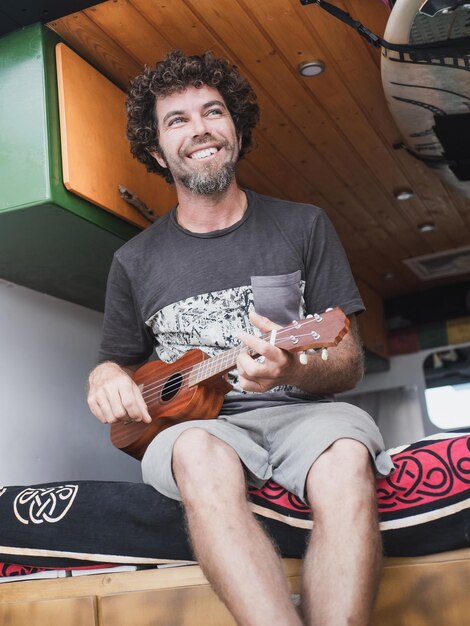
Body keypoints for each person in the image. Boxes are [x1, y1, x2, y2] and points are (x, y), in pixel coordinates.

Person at [87, 50, 394, 626]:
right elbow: (115, 360)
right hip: (194, 424)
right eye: (177, 120)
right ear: (157, 150)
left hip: (303, 414)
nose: (200, 129)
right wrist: (103, 376)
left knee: (346, 456)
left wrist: (293, 369)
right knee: (200, 456)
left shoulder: (304, 224)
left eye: (213, 112)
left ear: (235, 127)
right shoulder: (133, 261)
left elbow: (347, 359)